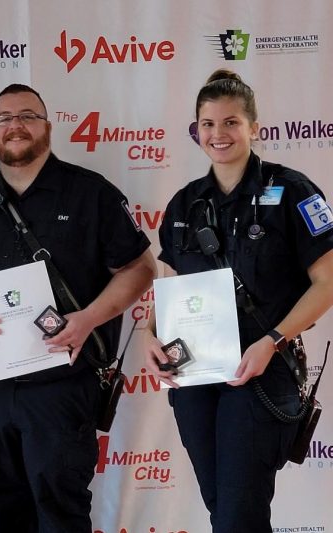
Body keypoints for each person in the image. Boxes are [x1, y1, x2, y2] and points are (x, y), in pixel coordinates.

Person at [0, 83, 156, 533]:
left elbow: (140, 269)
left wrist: (88, 319)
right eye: (3, 118)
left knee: (61, 515)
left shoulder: (90, 193)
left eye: (27, 116)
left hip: (61, 390)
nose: (15, 125)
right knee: (6, 512)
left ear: (48, 127)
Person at [142, 69, 333, 532]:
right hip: (193, 375)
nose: (218, 134)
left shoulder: (292, 190)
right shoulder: (185, 203)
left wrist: (271, 340)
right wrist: (149, 336)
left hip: (261, 368)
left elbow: (327, 282)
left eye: (230, 122)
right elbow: (167, 287)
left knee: (237, 513)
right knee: (224, 509)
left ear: (253, 127)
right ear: (196, 131)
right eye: (208, 124)